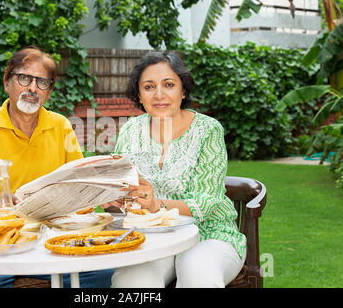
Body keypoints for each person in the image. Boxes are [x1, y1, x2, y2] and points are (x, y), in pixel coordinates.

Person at [0, 45, 113, 288]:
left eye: (42, 82)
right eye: (24, 78)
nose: (32, 88)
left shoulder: (61, 126)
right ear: (7, 82)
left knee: (106, 273)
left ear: (49, 91)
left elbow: (81, 193)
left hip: (53, 242)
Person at [103, 51, 246, 288]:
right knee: (133, 280)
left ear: (183, 90)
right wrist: (111, 197)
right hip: (153, 237)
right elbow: (123, 188)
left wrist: (156, 205)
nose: (159, 95)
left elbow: (207, 201)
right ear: (139, 94)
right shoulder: (130, 130)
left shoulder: (208, 130)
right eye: (149, 87)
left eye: (168, 85)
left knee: (196, 272)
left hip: (208, 235)